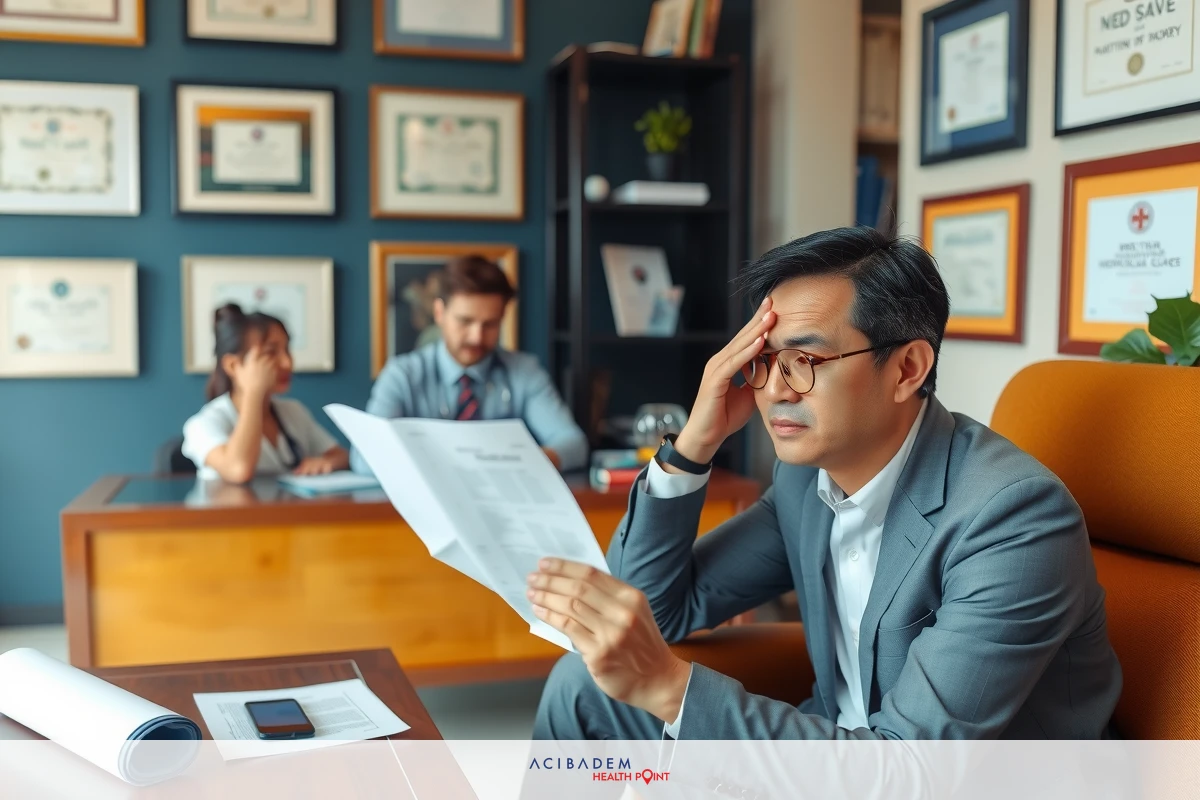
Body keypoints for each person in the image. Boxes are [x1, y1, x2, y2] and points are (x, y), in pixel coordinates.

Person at [525, 226, 1122, 740]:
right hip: (834, 752)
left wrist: (670, 688)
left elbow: (914, 770)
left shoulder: (1013, 518)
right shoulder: (803, 482)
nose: (775, 388)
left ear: (908, 369)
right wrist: (692, 448)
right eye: (763, 360)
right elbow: (656, 610)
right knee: (582, 687)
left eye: (805, 360)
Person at [352, 255, 588, 473]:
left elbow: (573, 442)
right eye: (465, 321)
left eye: (491, 324)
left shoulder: (524, 371)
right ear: (439, 312)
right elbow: (363, 458)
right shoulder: (402, 374)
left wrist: (532, 461)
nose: (477, 336)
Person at [182, 304, 349, 483]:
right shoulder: (202, 424)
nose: (286, 363)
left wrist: (327, 462)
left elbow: (343, 456)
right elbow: (238, 470)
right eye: (270, 352)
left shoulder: (293, 411)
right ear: (232, 365)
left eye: (287, 350)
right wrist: (254, 393)